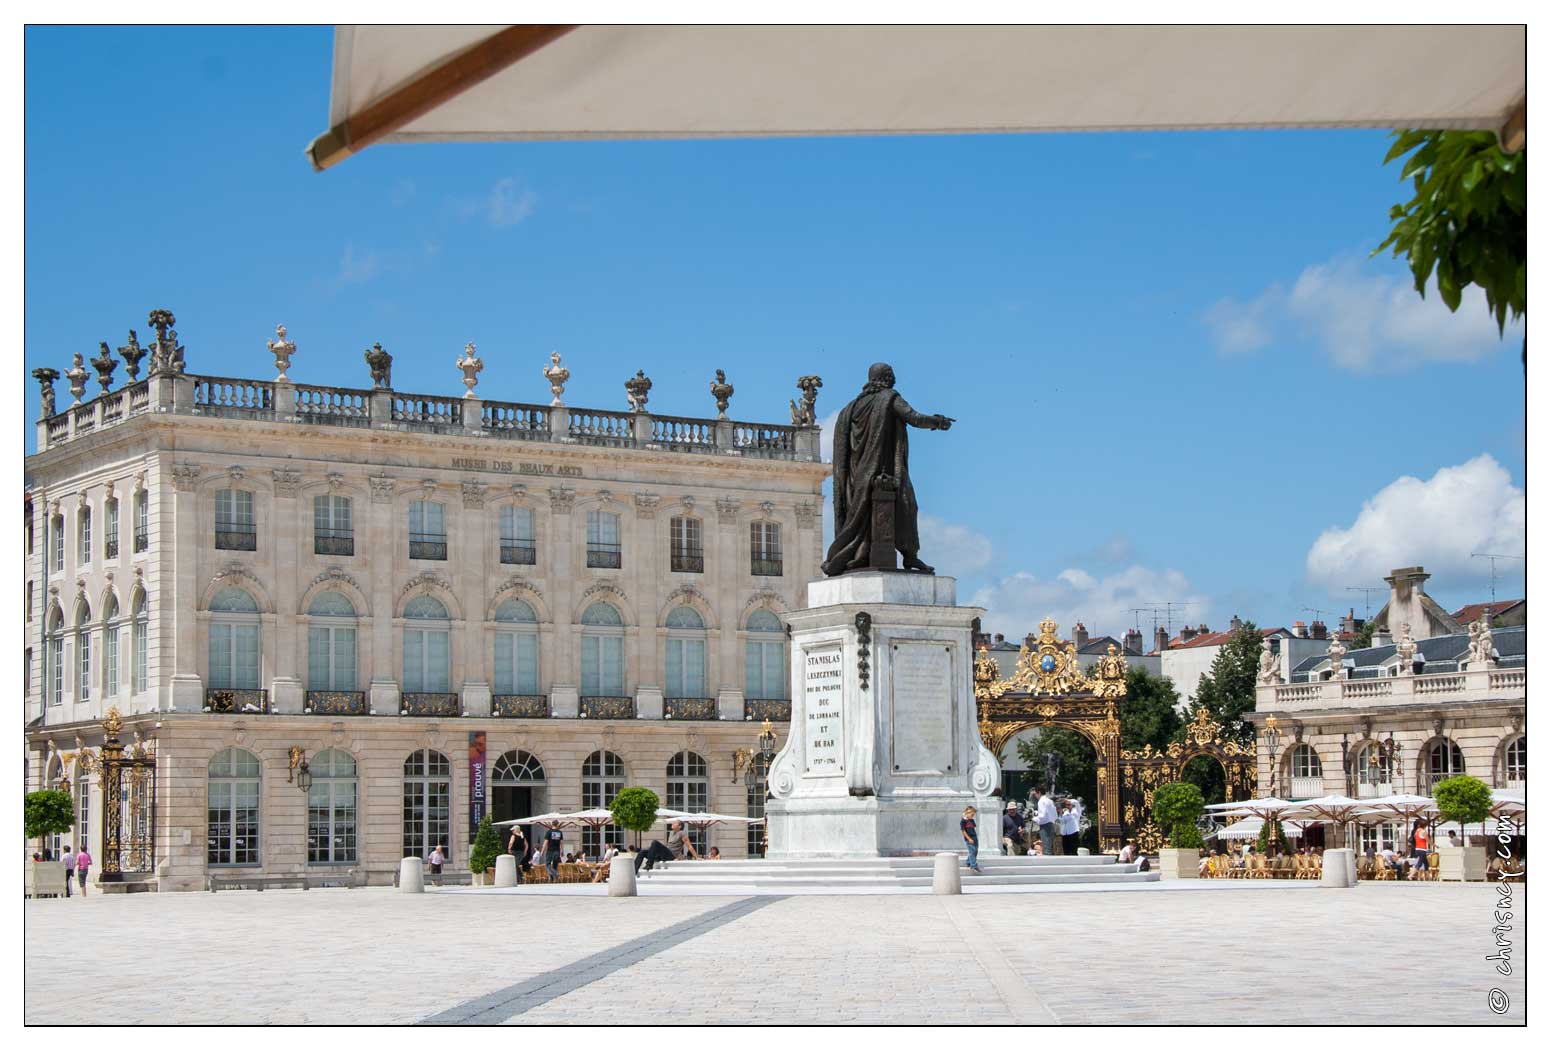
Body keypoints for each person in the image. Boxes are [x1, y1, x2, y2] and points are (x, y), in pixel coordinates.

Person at [1032, 788, 1058, 857]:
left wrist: (1034, 818)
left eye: (1035, 794)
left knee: (1046, 849)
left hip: (1045, 826)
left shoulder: (1041, 801)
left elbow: (1042, 816)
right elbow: (1055, 815)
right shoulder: (1050, 801)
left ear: (1039, 792)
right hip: (1051, 825)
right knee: (1049, 847)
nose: (1035, 796)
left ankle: (1046, 866)